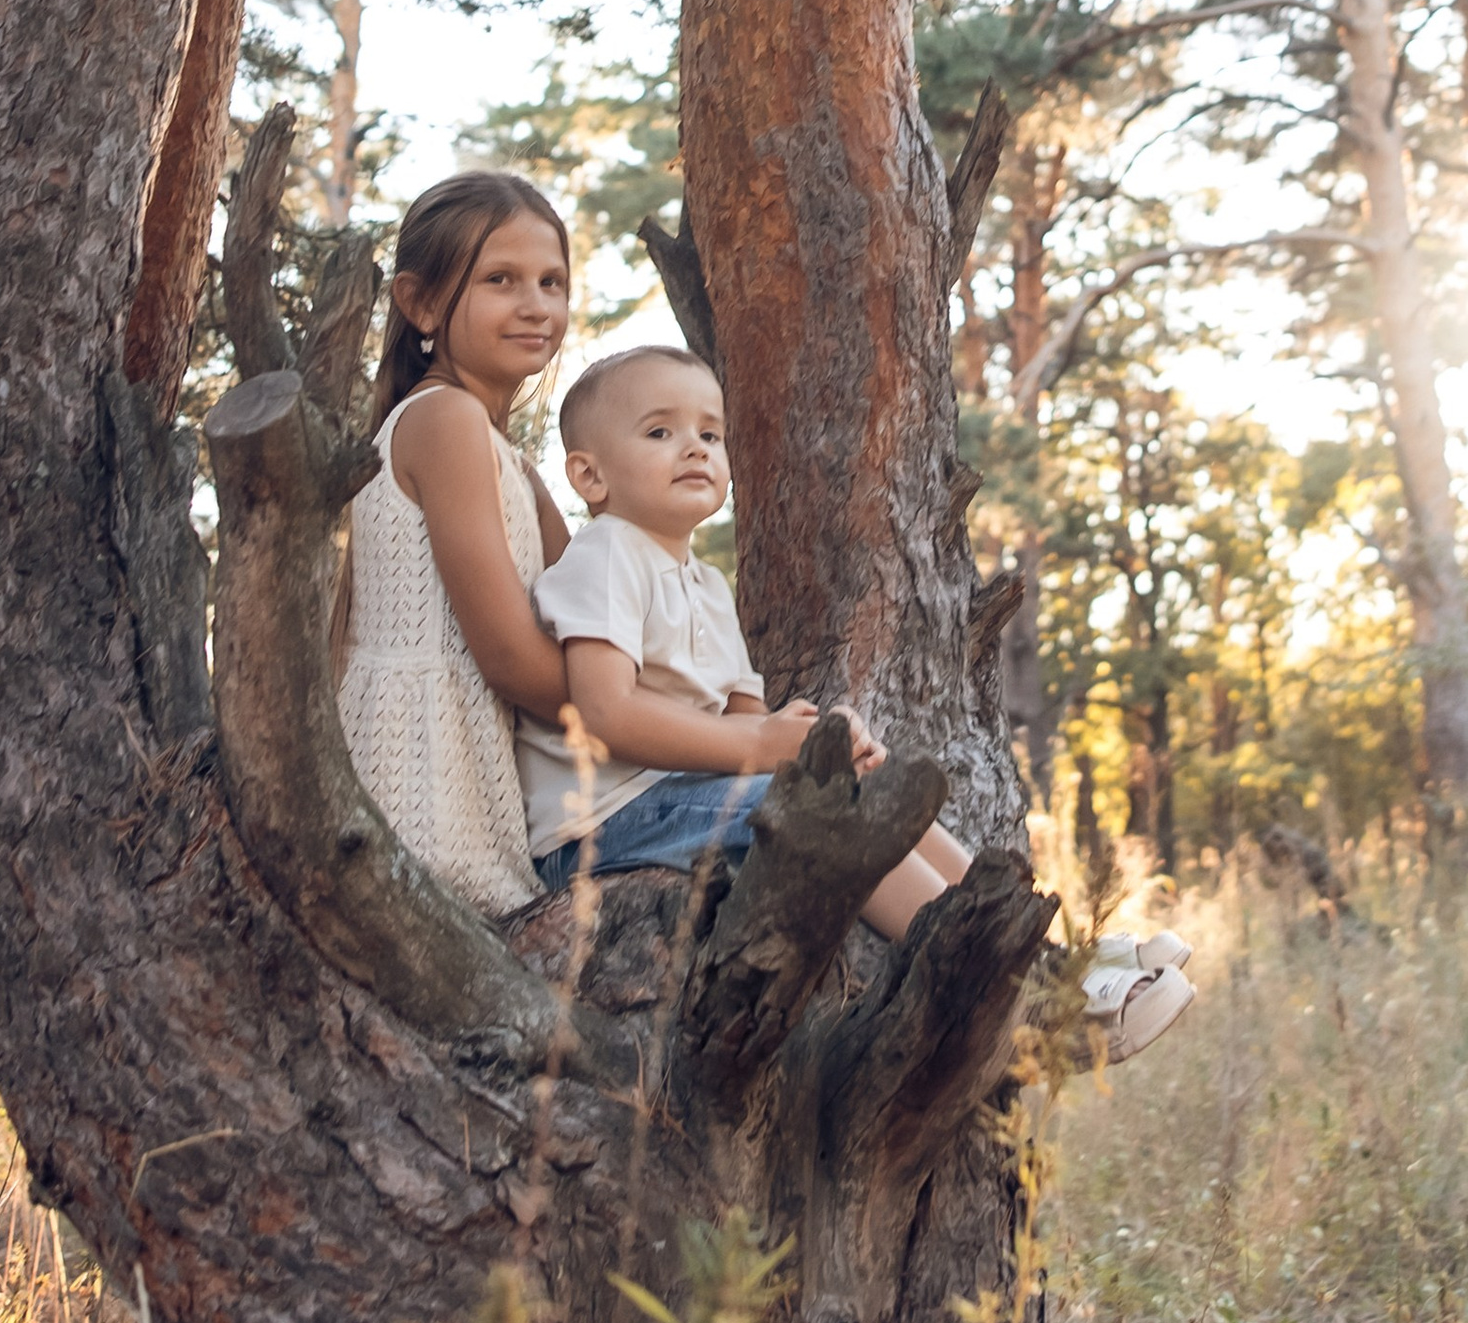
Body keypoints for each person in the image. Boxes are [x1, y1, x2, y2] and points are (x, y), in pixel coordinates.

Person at [519, 346, 1195, 1061]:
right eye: (659, 433)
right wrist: (765, 752)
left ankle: (1047, 959)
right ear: (589, 475)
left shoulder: (705, 585)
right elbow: (604, 713)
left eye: (709, 434)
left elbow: (745, 725)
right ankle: (1012, 1006)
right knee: (834, 819)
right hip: (600, 825)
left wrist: (818, 745)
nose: (694, 448)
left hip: (679, 798)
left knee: (862, 785)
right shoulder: (605, 555)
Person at [336, 168, 576, 920]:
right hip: (420, 786)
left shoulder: (509, 459)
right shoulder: (443, 421)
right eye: (501, 279)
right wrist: (647, 712)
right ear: (422, 303)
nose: (536, 305)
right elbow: (511, 658)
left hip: (477, 784)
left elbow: (590, 614)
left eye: (552, 282)